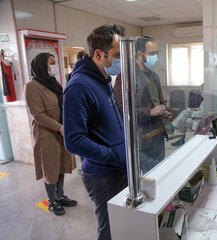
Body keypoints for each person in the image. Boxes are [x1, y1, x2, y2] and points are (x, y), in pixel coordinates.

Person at [63, 24, 127, 240]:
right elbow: (73, 141)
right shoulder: (79, 86)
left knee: (123, 225)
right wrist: (111, 154)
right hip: (101, 174)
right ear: (99, 54)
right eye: (118, 54)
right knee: (109, 230)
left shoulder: (105, 80)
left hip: (118, 167)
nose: (121, 60)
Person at [24, 53, 77, 216]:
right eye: (51, 63)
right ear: (41, 66)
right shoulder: (32, 86)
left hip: (61, 130)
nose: (54, 66)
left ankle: (60, 196)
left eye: (55, 63)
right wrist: (59, 127)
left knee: (60, 164)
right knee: (50, 167)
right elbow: (38, 114)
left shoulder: (54, 83)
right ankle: (52, 201)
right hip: (46, 133)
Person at [115, 37, 170, 174]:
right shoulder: (127, 76)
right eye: (152, 54)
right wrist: (150, 112)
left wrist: (165, 111)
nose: (155, 57)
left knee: (161, 172)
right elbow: (122, 110)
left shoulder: (154, 76)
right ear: (140, 54)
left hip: (158, 135)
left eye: (157, 53)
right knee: (150, 176)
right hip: (142, 138)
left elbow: (159, 101)